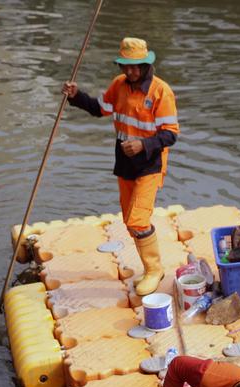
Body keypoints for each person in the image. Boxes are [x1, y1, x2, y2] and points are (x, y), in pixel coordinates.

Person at [61, 37, 178, 296]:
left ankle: (154, 270)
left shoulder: (161, 91)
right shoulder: (119, 85)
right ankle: (148, 268)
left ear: (146, 65)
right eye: (125, 66)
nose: (130, 71)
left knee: (138, 219)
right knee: (129, 220)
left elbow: (170, 134)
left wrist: (143, 145)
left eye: (135, 66)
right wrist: (76, 96)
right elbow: (99, 109)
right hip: (125, 161)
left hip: (150, 162)